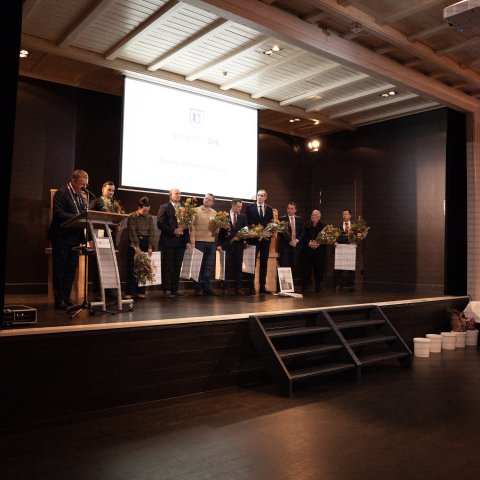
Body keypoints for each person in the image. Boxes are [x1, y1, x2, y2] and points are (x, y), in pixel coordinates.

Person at [48, 169, 89, 309]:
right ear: (74, 181)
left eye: (86, 184)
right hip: (61, 237)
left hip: (74, 238)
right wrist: (77, 217)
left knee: (71, 268)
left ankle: (66, 297)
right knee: (60, 268)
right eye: (82, 184)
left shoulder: (80, 196)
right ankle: (58, 299)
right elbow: (58, 213)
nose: (84, 187)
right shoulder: (61, 193)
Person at [89, 180, 123, 298]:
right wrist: (90, 238)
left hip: (110, 237)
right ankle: (97, 291)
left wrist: (117, 225)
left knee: (109, 264)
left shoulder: (115, 204)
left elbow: (116, 218)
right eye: (109, 190)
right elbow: (88, 217)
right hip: (99, 236)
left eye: (113, 190)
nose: (111, 192)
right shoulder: (96, 202)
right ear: (103, 189)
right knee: (98, 264)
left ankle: (109, 290)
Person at [157, 188, 190, 298]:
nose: (179, 195)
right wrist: (173, 231)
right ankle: (166, 289)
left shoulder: (184, 208)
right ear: (170, 195)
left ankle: (174, 289)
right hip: (168, 241)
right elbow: (160, 223)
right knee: (167, 266)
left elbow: (187, 225)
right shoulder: (164, 207)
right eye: (176, 193)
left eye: (180, 194)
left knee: (177, 266)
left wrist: (187, 241)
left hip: (180, 242)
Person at [245, 188, 274, 295]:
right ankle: (251, 287)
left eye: (262, 195)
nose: (259, 197)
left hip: (265, 240)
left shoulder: (269, 209)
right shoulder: (249, 207)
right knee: (251, 263)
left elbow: (271, 223)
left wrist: (270, 230)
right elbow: (247, 223)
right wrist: (250, 234)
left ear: (265, 197)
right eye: (258, 195)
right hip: (253, 239)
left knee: (264, 263)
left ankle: (262, 287)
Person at [125, 196, 154, 300]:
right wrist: (136, 246)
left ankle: (141, 291)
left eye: (148, 211)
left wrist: (150, 246)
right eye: (144, 210)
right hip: (134, 243)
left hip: (145, 243)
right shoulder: (132, 216)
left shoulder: (149, 217)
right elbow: (132, 232)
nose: (146, 212)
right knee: (131, 268)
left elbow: (151, 232)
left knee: (143, 268)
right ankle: (129, 291)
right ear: (139, 207)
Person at [217, 199, 249, 295]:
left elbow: (246, 230)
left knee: (238, 267)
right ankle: (225, 287)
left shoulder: (243, 216)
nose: (240, 208)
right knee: (226, 267)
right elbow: (221, 232)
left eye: (241, 207)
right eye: (238, 207)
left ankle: (238, 288)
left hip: (239, 245)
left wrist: (241, 237)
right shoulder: (224, 216)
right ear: (233, 205)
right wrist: (219, 244)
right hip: (227, 245)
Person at [190, 193, 217, 296]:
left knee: (208, 267)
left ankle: (206, 288)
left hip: (211, 243)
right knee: (198, 266)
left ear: (212, 202)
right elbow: (192, 227)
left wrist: (217, 228)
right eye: (205, 198)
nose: (206, 200)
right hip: (199, 242)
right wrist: (192, 242)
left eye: (209, 199)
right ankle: (197, 289)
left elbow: (215, 228)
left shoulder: (214, 212)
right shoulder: (196, 210)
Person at [301, 209, 326, 293]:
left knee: (318, 269)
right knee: (306, 269)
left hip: (319, 251)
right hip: (307, 251)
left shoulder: (323, 226)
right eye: (312, 215)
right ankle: (304, 287)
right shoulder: (306, 225)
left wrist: (318, 243)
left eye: (315, 215)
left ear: (319, 217)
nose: (313, 216)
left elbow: (325, 238)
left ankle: (318, 287)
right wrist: (309, 243)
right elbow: (303, 236)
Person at [278, 202, 304, 280]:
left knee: (294, 265)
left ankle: (292, 284)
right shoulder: (281, 219)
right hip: (285, 246)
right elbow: (280, 233)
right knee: (284, 265)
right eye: (288, 208)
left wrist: (296, 240)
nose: (289, 210)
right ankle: (284, 284)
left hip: (296, 246)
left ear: (295, 210)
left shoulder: (300, 219)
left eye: (291, 209)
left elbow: (303, 232)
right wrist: (290, 241)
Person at [334, 208, 356, 293]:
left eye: (346, 214)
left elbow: (358, 236)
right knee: (339, 268)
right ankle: (338, 285)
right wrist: (335, 242)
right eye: (343, 214)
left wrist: (356, 243)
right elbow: (334, 236)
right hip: (340, 249)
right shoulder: (338, 225)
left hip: (351, 249)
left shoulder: (354, 226)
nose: (344, 216)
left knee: (351, 268)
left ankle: (352, 285)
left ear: (350, 215)